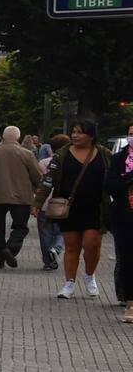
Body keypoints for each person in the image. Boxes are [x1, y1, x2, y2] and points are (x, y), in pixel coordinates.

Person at [42, 119, 108, 301]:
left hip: (96, 208)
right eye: (73, 132)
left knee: (91, 245)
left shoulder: (103, 154)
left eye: (79, 132)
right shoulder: (62, 154)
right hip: (69, 208)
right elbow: (48, 179)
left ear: (91, 135)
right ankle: (69, 283)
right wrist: (37, 202)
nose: (75, 135)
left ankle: (89, 275)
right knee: (71, 246)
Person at [0, 126, 39, 269]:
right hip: (21, 197)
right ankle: (11, 247)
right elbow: (36, 175)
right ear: (18, 138)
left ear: (3, 137)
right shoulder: (27, 154)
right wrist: (38, 191)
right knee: (20, 227)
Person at [103, 125, 133, 322]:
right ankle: (130, 302)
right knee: (128, 259)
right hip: (125, 217)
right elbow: (111, 186)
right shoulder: (118, 159)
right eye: (131, 134)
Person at [35, 134, 68, 269]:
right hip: (62, 203)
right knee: (61, 231)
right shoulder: (69, 163)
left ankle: (48, 262)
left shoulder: (42, 163)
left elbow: (39, 182)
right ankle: (57, 248)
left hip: (44, 203)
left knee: (45, 233)